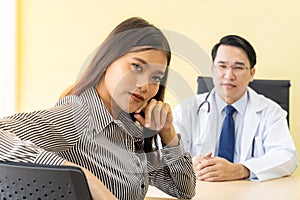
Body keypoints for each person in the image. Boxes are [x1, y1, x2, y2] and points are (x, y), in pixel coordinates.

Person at [0, 17, 196, 199]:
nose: (145, 85)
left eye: (156, 78)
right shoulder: (77, 116)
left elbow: (184, 189)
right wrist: (82, 177)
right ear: (107, 60)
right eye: (137, 67)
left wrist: (167, 132)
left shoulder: (129, 129)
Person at [173, 35, 298, 182]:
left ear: (252, 74)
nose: (229, 75)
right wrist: (187, 163)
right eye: (222, 66)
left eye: (238, 67)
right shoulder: (187, 109)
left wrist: (240, 170)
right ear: (212, 70)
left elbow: (286, 156)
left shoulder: (271, 111)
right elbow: (164, 154)